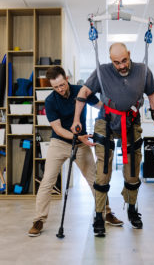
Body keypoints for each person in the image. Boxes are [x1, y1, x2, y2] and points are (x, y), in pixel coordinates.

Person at [71, 42, 154, 236]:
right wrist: (76, 120)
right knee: (103, 173)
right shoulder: (102, 71)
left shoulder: (143, 71)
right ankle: (99, 216)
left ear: (129, 54)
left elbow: (153, 94)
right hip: (105, 121)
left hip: (131, 124)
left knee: (132, 173)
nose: (121, 65)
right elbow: (83, 92)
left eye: (124, 60)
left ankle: (131, 210)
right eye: (116, 62)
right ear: (110, 60)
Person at [28, 66, 123, 237]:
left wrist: (113, 109)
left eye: (62, 85)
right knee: (47, 180)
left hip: (81, 143)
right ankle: (39, 220)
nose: (60, 89)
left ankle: (106, 212)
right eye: (56, 87)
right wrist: (76, 137)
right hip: (59, 142)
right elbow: (57, 129)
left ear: (67, 78)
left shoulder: (81, 91)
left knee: (95, 180)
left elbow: (100, 105)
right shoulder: (50, 101)